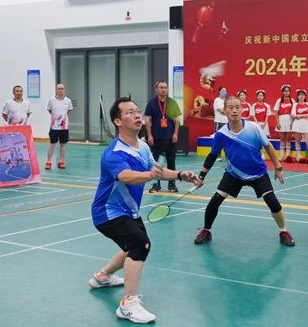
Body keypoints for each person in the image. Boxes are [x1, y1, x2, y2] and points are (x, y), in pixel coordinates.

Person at [89, 97, 199, 324]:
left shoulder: (143, 146)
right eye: (130, 113)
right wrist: (150, 175)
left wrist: (180, 175)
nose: (138, 115)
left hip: (128, 211)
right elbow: (126, 176)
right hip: (107, 212)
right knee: (140, 244)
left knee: (133, 247)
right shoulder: (114, 152)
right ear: (118, 121)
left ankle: (101, 277)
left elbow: (156, 169)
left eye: (138, 111)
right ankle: (128, 304)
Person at [193, 95, 295, 246]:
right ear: (225, 111)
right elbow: (212, 155)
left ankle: (283, 231)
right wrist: (201, 177)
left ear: (242, 109)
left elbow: (268, 146)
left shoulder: (253, 127)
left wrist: (278, 168)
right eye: (231, 108)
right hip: (234, 174)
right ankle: (206, 231)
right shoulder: (221, 134)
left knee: (272, 201)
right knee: (215, 201)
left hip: (258, 173)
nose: (234, 111)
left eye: (237, 107)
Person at [144, 81, 180, 193]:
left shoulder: (172, 103)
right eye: (161, 87)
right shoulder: (151, 104)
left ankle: (172, 184)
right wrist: (149, 135)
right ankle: (156, 184)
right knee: (156, 162)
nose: (163, 89)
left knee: (171, 161)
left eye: (165, 87)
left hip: (170, 137)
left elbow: (177, 119)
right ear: (156, 89)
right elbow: (147, 120)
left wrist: (175, 133)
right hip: (157, 137)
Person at [46, 84, 74, 169]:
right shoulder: (51, 100)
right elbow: (50, 110)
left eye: (62, 89)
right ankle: (49, 161)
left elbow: (68, 111)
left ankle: (61, 161)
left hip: (64, 127)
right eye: (59, 89)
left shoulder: (68, 101)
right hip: (54, 127)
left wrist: (62, 120)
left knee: (63, 144)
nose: (61, 90)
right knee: (52, 144)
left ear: (64, 90)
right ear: (56, 90)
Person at [291, 89, 308, 159]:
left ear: (305, 97)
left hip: (305, 123)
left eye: (303, 95)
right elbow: (294, 115)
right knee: (297, 140)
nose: (301, 96)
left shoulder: (307, 104)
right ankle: (299, 155)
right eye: (300, 95)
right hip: (297, 123)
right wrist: (304, 115)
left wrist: (300, 116)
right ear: (297, 96)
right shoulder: (295, 105)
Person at [274, 85, 295, 160]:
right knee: (282, 139)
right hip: (281, 119)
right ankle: (282, 155)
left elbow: (294, 113)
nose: (286, 92)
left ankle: (288, 156)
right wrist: (277, 122)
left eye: (288, 91)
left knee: (288, 139)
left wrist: (292, 122)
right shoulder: (279, 101)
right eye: (285, 91)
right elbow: (276, 112)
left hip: (289, 119)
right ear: (282, 92)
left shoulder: (292, 101)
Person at [213, 86, 228, 161]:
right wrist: (228, 111)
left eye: (225, 91)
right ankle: (218, 156)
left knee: (227, 139)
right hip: (219, 122)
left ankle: (227, 156)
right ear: (219, 92)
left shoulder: (226, 101)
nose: (224, 92)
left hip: (227, 122)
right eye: (222, 90)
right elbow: (222, 111)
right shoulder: (217, 100)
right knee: (218, 139)